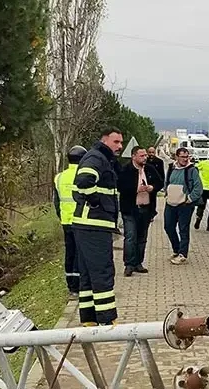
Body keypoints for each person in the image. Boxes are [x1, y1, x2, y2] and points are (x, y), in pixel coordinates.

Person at [71, 127, 123, 326]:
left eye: (121, 142)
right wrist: (95, 202)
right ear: (104, 140)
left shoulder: (101, 158)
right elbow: (84, 180)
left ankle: (89, 318)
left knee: (88, 273)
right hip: (94, 224)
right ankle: (107, 319)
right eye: (116, 142)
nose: (119, 146)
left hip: (87, 225)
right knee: (102, 270)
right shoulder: (97, 157)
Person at [117, 146, 163, 277]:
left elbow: (160, 182)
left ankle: (138, 263)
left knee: (142, 237)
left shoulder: (149, 169)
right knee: (131, 236)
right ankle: (129, 264)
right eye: (142, 156)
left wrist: (151, 187)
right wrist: (136, 189)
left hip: (146, 208)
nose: (145, 158)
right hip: (130, 209)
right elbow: (120, 186)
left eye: (145, 156)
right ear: (134, 156)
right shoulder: (126, 169)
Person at [53, 145, 87, 298]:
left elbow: (56, 201)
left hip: (66, 221)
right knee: (82, 253)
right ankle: (81, 284)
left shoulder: (59, 177)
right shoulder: (84, 176)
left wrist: (61, 217)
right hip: (82, 221)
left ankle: (71, 285)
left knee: (70, 252)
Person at [164, 148, 202, 265]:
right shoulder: (171, 168)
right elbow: (167, 183)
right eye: (183, 157)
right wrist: (167, 194)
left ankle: (182, 254)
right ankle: (177, 249)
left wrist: (189, 199)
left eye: (187, 157)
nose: (185, 159)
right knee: (168, 227)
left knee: (183, 229)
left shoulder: (192, 170)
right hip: (170, 203)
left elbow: (198, 188)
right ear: (177, 157)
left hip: (185, 205)